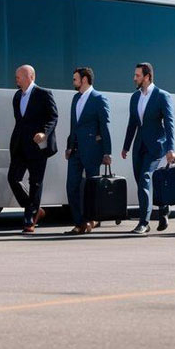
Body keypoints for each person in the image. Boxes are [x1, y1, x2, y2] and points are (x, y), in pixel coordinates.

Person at [121, 62, 175, 235]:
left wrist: (170, 148)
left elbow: (169, 123)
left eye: (137, 75)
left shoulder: (161, 96)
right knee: (141, 181)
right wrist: (126, 146)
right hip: (139, 146)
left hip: (156, 145)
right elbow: (132, 123)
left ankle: (144, 222)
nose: (134, 78)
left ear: (147, 77)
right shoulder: (135, 97)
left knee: (145, 177)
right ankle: (164, 207)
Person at [8, 65, 58, 234]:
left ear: (30, 76)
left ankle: (30, 219)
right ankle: (33, 207)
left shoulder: (44, 94)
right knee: (13, 178)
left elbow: (53, 116)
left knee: (35, 182)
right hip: (19, 145)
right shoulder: (17, 96)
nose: (16, 79)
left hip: (37, 146)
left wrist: (44, 133)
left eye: (19, 76)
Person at [64, 67, 111, 235]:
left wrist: (107, 152)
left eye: (75, 78)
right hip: (75, 151)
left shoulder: (99, 98)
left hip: (92, 150)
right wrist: (69, 146)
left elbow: (105, 127)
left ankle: (91, 219)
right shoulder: (75, 98)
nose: (73, 81)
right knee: (71, 187)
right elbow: (73, 126)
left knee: (92, 189)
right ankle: (79, 222)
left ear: (84, 79)